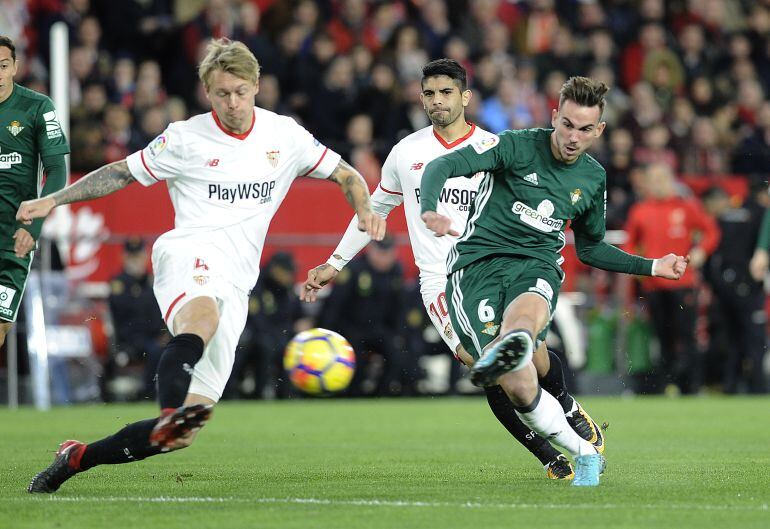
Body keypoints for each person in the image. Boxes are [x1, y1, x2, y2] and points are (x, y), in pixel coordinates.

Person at [20, 38, 385, 493]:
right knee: (202, 319)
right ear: (206, 93)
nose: (232, 103)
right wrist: (53, 199)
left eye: (240, 91)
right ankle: (172, 407)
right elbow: (118, 174)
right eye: (221, 94)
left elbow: (346, 174)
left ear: (257, 86)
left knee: (181, 437)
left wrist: (366, 208)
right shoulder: (184, 138)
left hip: (237, 280)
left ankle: (77, 458)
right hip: (187, 250)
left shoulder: (284, 135)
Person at [302, 60, 604, 481]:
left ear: (465, 97)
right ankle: (551, 455)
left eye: (446, 93)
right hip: (441, 282)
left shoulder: (494, 146)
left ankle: (566, 404)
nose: (437, 101)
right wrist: (335, 262)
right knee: (490, 365)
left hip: (494, 270)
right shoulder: (406, 154)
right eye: (429, 94)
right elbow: (373, 211)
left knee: (528, 353)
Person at [419, 76, 689, 486]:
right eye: (566, 124)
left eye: (584, 129)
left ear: (599, 130)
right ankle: (581, 450)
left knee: (522, 328)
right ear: (554, 117)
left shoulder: (592, 178)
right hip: (478, 269)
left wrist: (652, 266)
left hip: (537, 265)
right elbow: (444, 164)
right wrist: (430, 208)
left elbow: (591, 248)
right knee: (521, 384)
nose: (572, 137)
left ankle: (519, 345)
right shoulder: (514, 145)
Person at [624, 163, 719, 395]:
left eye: (661, 179)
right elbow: (628, 243)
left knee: (687, 335)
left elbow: (711, 231)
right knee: (662, 336)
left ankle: (692, 386)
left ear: (670, 181)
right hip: (654, 284)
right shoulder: (640, 210)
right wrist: (636, 266)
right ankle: (666, 384)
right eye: (653, 179)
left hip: (683, 283)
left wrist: (701, 251)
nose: (657, 184)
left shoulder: (686, 207)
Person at [0, 35, 69, 347]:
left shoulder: (38, 107)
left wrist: (35, 227)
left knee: (1, 324)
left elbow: (57, 172)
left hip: (13, 237)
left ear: (15, 66)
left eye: (3, 66)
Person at [318, 235, 409, 396]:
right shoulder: (354, 269)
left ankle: (381, 395)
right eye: (381, 253)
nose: (385, 259)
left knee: (396, 355)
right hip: (351, 329)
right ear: (371, 250)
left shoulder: (396, 271)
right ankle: (353, 395)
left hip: (379, 330)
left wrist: (398, 335)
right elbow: (334, 305)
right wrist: (327, 332)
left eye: (388, 254)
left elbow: (399, 308)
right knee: (355, 360)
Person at [107, 236, 167, 400]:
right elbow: (125, 311)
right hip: (131, 340)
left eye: (139, 256)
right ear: (124, 257)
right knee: (155, 351)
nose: (136, 261)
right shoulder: (119, 283)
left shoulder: (152, 282)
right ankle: (149, 394)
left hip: (155, 337)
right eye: (132, 257)